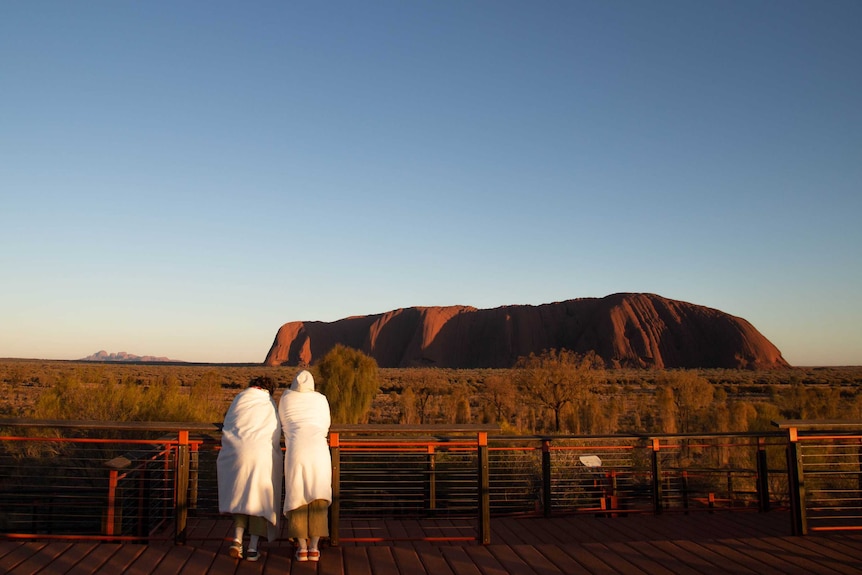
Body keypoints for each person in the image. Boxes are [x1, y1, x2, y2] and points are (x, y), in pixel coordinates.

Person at [217, 375, 283, 562]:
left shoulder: (239, 398)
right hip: (261, 455)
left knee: (240, 494)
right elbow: (274, 430)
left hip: (238, 454)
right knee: (259, 499)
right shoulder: (268, 404)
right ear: (269, 389)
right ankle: (253, 548)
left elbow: (230, 423)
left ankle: (237, 541)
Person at [278, 370, 332, 563]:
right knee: (318, 496)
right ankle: (314, 548)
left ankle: (301, 548)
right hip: (319, 450)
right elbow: (326, 424)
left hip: (296, 452)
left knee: (297, 496)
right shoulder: (321, 400)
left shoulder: (286, 398)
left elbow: (282, 422)